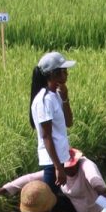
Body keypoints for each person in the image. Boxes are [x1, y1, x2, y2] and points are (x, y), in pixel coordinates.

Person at [0, 149, 106, 212]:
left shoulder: (85, 164)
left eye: (73, 165)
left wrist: (99, 187)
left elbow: (93, 176)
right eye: (66, 167)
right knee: (53, 202)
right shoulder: (59, 172)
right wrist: (4, 189)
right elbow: (31, 178)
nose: (70, 169)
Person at [30, 51, 75, 192]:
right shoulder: (44, 100)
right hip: (51, 162)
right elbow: (46, 136)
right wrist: (57, 167)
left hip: (60, 158)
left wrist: (65, 99)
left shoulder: (56, 95)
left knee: (55, 199)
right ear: (53, 74)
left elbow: (69, 122)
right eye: (64, 71)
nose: (67, 74)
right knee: (50, 199)